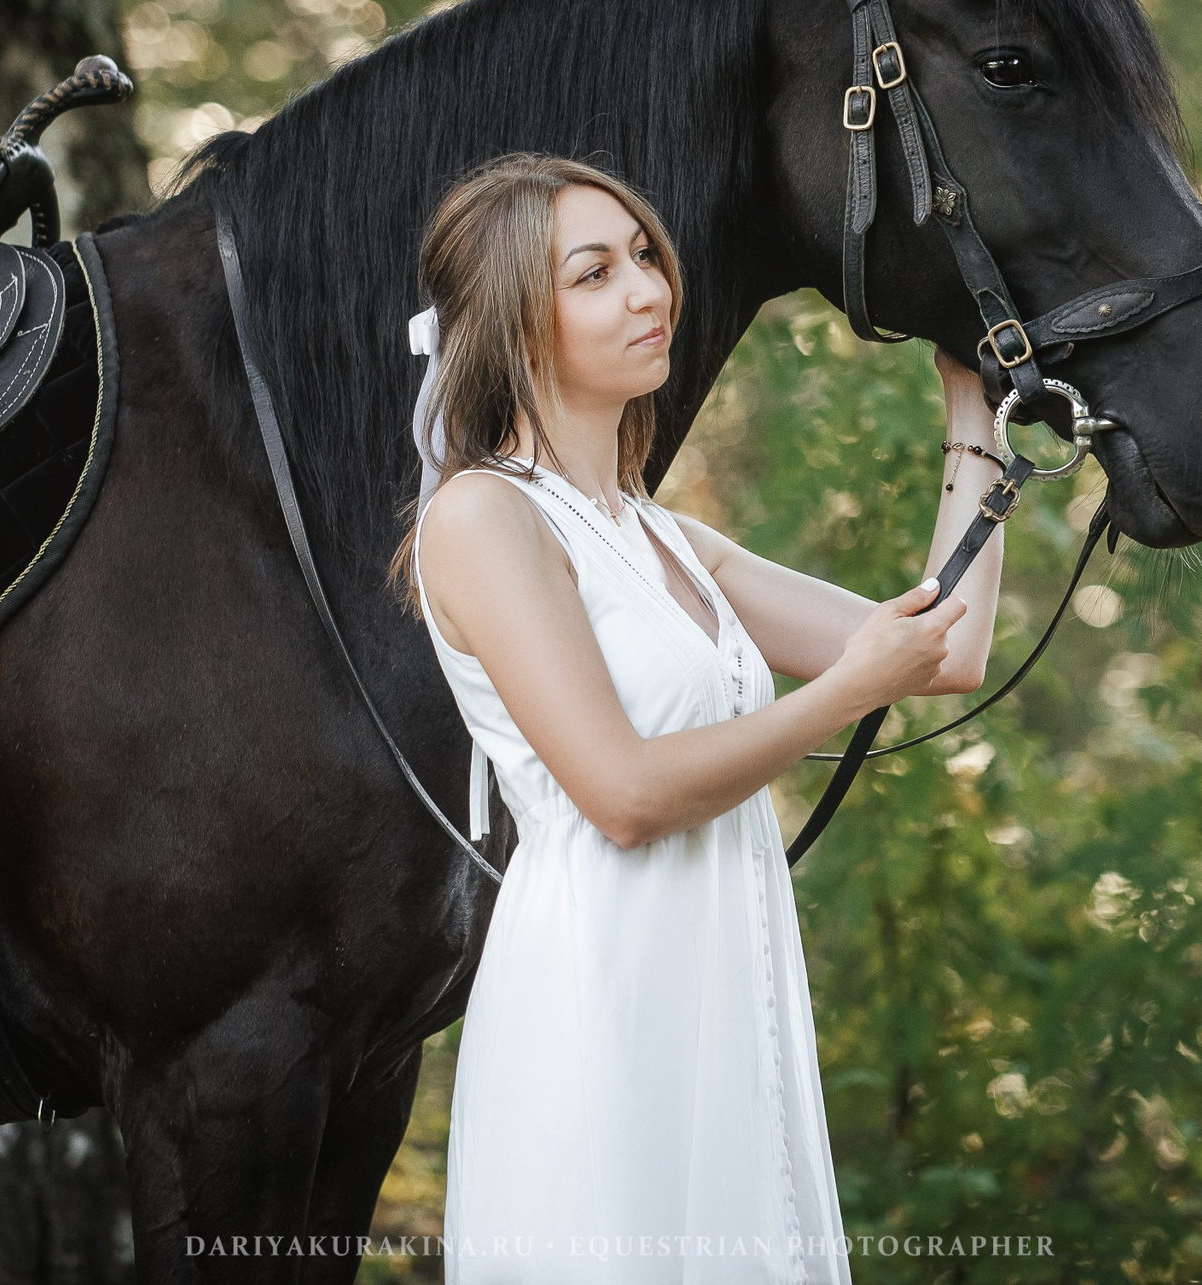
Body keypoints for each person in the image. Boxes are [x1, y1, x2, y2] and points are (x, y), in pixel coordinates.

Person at [394, 153, 1010, 1283]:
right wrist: (842, 690)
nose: (645, 289)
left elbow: (948, 645)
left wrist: (974, 412)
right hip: (602, 996)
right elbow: (621, 794)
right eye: (593, 273)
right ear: (515, 327)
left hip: (722, 983)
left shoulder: (663, 536)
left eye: (642, 256)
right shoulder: (482, 517)